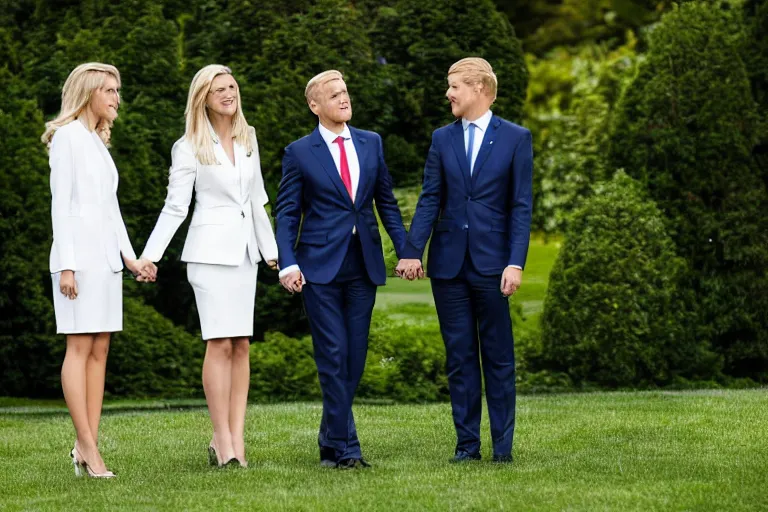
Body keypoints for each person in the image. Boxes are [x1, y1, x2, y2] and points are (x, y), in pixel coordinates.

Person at [397, 57, 533, 464]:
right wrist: (410, 249)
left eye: (454, 85)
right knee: (459, 357)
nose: (448, 93)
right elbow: (430, 198)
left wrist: (516, 261)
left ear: (478, 88)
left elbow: (521, 205)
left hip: (494, 265)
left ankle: (503, 449)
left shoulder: (515, 137)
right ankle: (466, 446)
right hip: (448, 266)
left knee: (498, 356)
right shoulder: (442, 138)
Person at [141, 65, 278, 468]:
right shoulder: (187, 147)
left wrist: (272, 252)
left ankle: (238, 438)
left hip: (245, 256)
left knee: (241, 345)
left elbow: (256, 201)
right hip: (208, 256)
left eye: (232, 86)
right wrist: (150, 255)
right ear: (203, 97)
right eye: (219, 89)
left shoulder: (248, 138)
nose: (228, 93)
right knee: (219, 343)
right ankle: (221, 439)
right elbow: (175, 207)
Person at [275, 70, 406, 469]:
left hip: (362, 264)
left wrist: (407, 250)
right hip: (318, 267)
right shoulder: (299, 152)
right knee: (332, 354)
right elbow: (286, 213)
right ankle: (347, 449)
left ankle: (329, 439)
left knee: (354, 358)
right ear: (315, 106)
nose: (343, 99)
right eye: (334, 95)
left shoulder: (371, 143)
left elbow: (386, 202)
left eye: (345, 92)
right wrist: (288, 261)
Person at [42, 62, 157, 478]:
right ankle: (89, 449)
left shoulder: (97, 142)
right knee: (79, 346)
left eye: (117, 90)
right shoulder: (67, 138)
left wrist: (131, 258)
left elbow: (111, 211)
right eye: (108, 90)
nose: (116, 98)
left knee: (100, 349)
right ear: (88, 92)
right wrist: (67, 266)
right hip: (78, 261)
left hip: (106, 262)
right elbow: (62, 205)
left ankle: (86, 442)